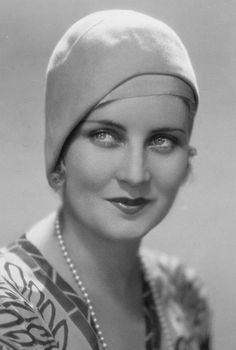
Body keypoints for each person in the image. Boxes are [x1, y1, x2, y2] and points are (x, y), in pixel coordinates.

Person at [0, 9, 211, 350]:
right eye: (105, 135)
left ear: (188, 159)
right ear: (60, 151)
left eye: (162, 140)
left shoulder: (183, 295)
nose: (135, 174)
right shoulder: (11, 311)